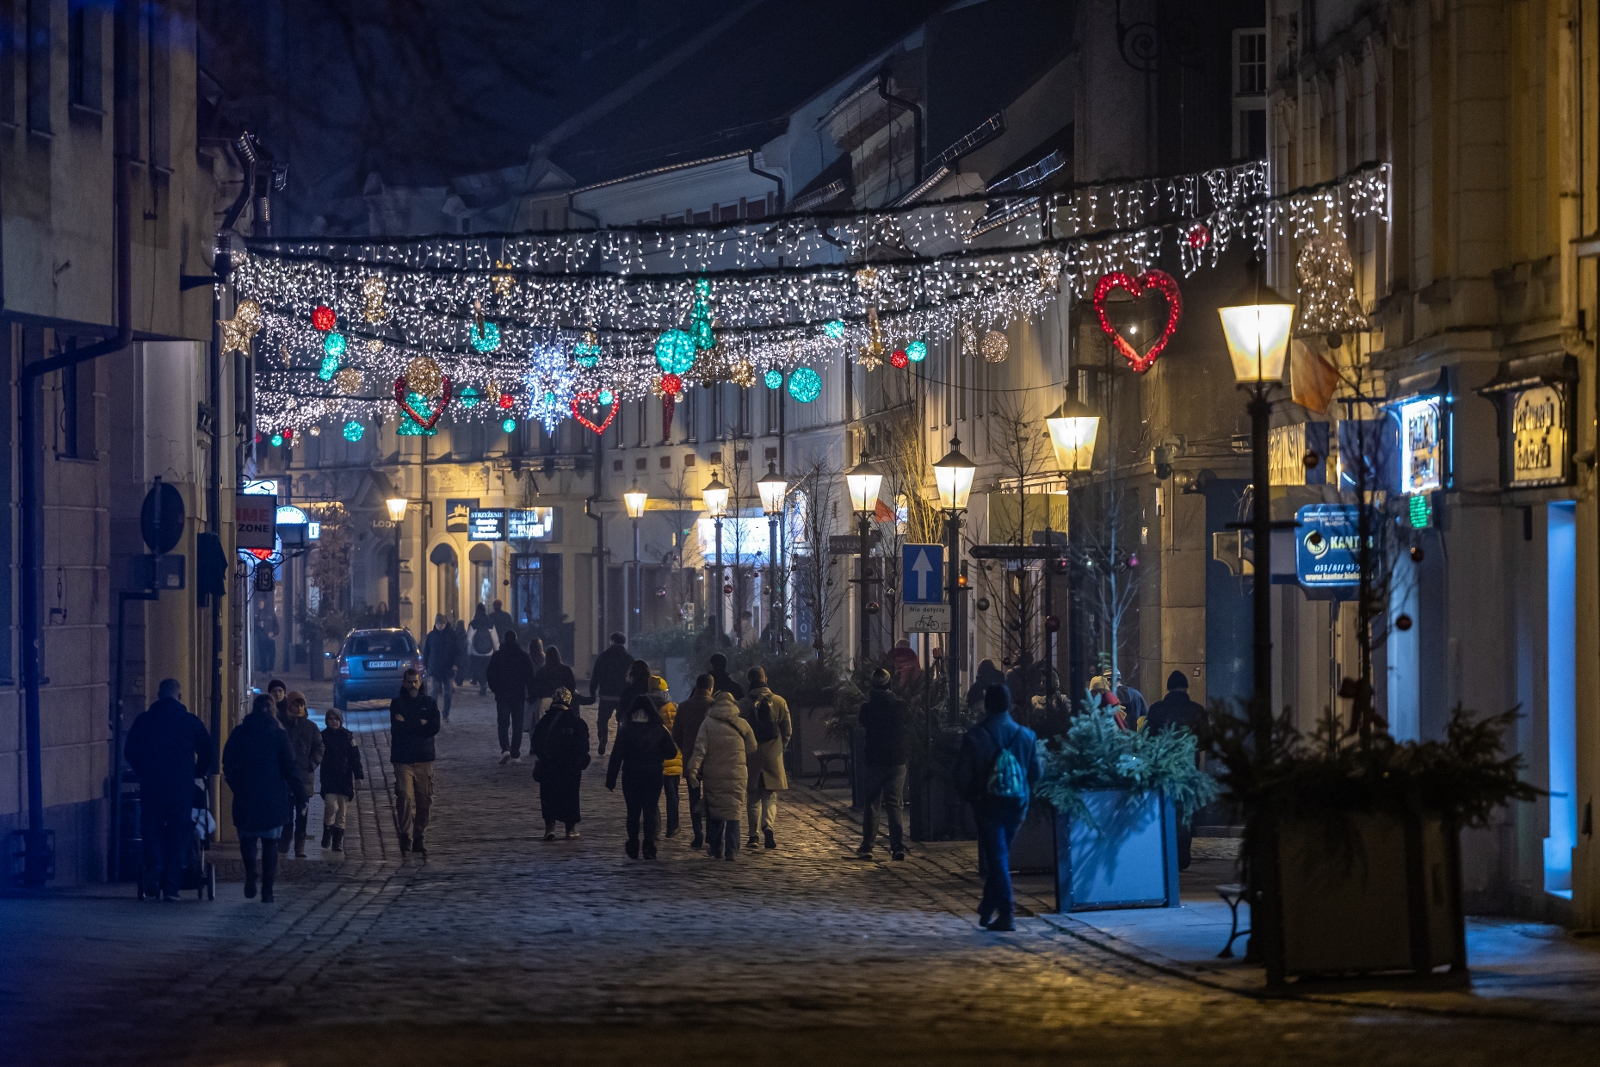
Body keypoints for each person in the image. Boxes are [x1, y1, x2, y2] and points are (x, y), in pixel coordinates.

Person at [952, 684, 1043, 932]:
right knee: (999, 856)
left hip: (988, 805)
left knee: (998, 858)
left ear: (986, 705)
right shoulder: (1026, 736)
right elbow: (1036, 773)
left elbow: (962, 777)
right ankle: (987, 904)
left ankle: (1006, 912)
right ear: (1010, 704)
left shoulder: (975, 736)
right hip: (1016, 806)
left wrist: (971, 798)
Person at [123, 679, 214, 901]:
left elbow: (130, 750)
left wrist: (143, 769)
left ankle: (154, 865)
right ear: (179, 697)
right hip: (181, 786)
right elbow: (208, 751)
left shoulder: (144, 721)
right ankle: (172, 887)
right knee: (179, 833)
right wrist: (196, 772)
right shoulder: (190, 722)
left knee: (151, 827)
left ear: (158, 695)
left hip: (152, 784)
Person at [223, 693, 306, 902]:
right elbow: (290, 767)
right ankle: (267, 890)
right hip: (273, 796)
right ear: (273, 710)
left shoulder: (240, 732)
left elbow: (228, 762)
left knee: (247, 839)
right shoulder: (279, 734)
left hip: (246, 795)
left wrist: (237, 785)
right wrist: (301, 795)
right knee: (270, 844)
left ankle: (251, 872)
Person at [685, 689, 757, 860]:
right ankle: (732, 850)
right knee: (733, 812)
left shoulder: (707, 724)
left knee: (716, 811)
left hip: (714, 774)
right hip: (737, 774)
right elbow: (753, 747)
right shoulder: (742, 724)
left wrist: (693, 770)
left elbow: (699, 750)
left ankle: (716, 847)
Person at [1145, 670, 1207, 871]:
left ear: (1168, 688)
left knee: (1164, 809)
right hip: (1188, 767)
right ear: (1186, 687)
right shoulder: (1197, 710)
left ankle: (1165, 852)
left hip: (1163, 767)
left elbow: (1147, 738)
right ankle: (1182, 853)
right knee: (1185, 811)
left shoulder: (1157, 710)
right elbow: (1206, 740)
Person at [605, 696, 679, 859]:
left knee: (633, 811)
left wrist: (611, 779)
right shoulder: (659, 729)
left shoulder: (626, 729)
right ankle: (648, 845)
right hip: (653, 774)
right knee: (650, 810)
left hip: (631, 774)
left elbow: (616, 755)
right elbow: (671, 752)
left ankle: (632, 844)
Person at [856, 669, 908, 861]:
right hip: (896, 759)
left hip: (874, 760)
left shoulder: (867, 708)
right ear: (889, 685)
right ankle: (897, 846)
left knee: (872, 803)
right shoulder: (900, 706)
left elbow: (862, 723)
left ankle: (868, 845)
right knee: (895, 804)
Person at [737, 667, 791, 850]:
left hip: (751, 754)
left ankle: (753, 836)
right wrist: (780, 748)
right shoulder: (779, 701)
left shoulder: (743, 704)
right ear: (765, 679)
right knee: (770, 796)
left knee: (753, 796)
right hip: (772, 753)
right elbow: (787, 730)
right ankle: (768, 826)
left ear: (749, 681)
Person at [390, 668, 441, 856]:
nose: (413, 685)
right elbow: (398, 728)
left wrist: (409, 723)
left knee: (424, 801)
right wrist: (420, 724)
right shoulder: (397, 704)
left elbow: (434, 727)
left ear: (420, 682)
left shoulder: (429, 703)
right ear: (404, 683)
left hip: (423, 758)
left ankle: (419, 836)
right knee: (404, 797)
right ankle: (405, 835)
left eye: (415, 681)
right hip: (403, 758)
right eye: (409, 682)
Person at [530, 688, 589, 840]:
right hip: (571, 767)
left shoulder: (545, 721)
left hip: (549, 765)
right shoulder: (577, 721)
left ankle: (550, 827)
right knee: (571, 795)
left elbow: (536, 743)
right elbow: (584, 746)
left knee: (548, 795)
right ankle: (570, 828)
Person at [672, 674, 716, 848]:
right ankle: (712, 834)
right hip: (712, 758)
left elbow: (676, 735)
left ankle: (698, 834)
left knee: (693, 797)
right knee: (712, 797)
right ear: (711, 688)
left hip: (691, 758)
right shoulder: (714, 706)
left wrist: (686, 749)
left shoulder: (684, 706)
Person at [279, 691, 324, 857]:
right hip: (286, 779)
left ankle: (300, 846)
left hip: (304, 778)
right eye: (295, 704)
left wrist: (311, 764)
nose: (298, 708)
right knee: (287, 815)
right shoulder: (281, 725)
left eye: (301, 704)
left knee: (302, 814)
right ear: (289, 705)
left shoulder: (310, 727)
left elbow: (319, 747)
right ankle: (284, 844)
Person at [487, 629, 535, 764]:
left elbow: (490, 675)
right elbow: (529, 677)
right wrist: (530, 693)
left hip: (502, 695)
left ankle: (505, 749)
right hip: (518, 695)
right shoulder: (523, 656)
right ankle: (515, 752)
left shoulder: (497, 656)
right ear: (516, 639)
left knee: (503, 723)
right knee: (517, 724)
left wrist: (496, 689)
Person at [318, 708, 363, 853]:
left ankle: (337, 841)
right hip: (329, 777)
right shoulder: (322, 736)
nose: (333, 721)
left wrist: (358, 776)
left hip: (344, 778)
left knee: (342, 811)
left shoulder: (348, 737)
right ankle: (327, 830)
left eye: (336, 719)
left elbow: (355, 757)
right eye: (331, 719)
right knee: (331, 805)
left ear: (340, 721)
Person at [588, 631, 634, 756]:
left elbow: (595, 675)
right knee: (622, 720)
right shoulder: (629, 658)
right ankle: (619, 743)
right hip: (622, 696)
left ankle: (603, 737)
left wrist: (593, 691)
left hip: (605, 695)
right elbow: (633, 678)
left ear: (612, 641)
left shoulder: (603, 656)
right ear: (624, 642)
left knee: (602, 720)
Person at [649, 676, 684, 837]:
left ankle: (655, 828)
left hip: (650, 757)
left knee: (651, 796)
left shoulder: (644, 707)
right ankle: (673, 827)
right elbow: (679, 733)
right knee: (672, 795)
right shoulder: (673, 707)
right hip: (672, 757)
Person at [422, 614, 460, 723]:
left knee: (447, 692)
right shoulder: (431, 636)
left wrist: (455, 663)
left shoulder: (451, 635)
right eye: (438, 623)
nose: (440, 625)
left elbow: (456, 650)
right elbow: (426, 652)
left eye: (442, 623)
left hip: (447, 668)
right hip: (434, 668)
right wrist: (425, 665)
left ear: (445, 624)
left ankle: (445, 713)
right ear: (435, 624)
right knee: (434, 690)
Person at [467, 605, 498, 696]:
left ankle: (482, 683)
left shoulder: (474, 623)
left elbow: (469, 639)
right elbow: (495, 639)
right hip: (489, 651)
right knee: (486, 668)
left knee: (479, 669)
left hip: (476, 652)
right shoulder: (490, 622)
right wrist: (497, 649)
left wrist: (469, 651)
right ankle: (485, 682)